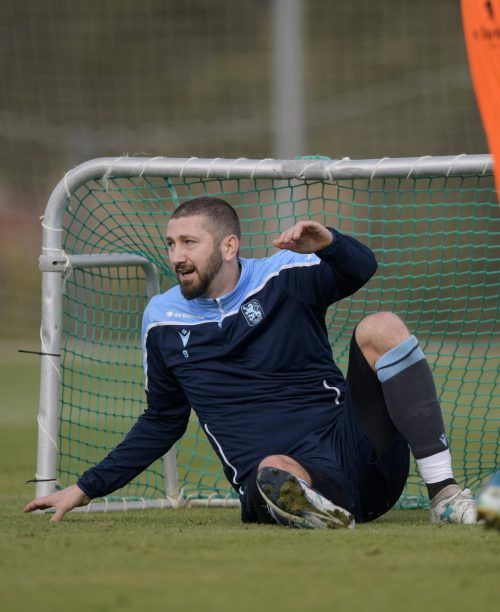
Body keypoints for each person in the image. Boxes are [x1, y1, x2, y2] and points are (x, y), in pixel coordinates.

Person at [25, 197, 477, 527]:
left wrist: (329, 243)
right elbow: (162, 421)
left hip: (359, 452)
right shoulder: (161, 321)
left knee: (381, 326)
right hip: (284, 476)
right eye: (171, 244)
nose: (177, 256)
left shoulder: (284, 276)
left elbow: (361, 269)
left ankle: (444, 494)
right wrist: (86, 488)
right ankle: (310, 509)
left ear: (228, 246)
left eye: (189, 242)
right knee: (272, 471)